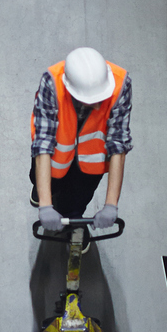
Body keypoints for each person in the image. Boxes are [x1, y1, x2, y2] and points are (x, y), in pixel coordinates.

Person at [28, 47, 131, 233]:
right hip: (55, 156)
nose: (97, 104)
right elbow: (43, 143)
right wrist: (45, 205)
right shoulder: (52, 82)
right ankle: (42, 191)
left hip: (91, 160)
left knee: (76, 201)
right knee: (45, 181)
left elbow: (118, 144)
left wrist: (111, 205)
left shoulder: (120, 84)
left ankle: (71, 223)